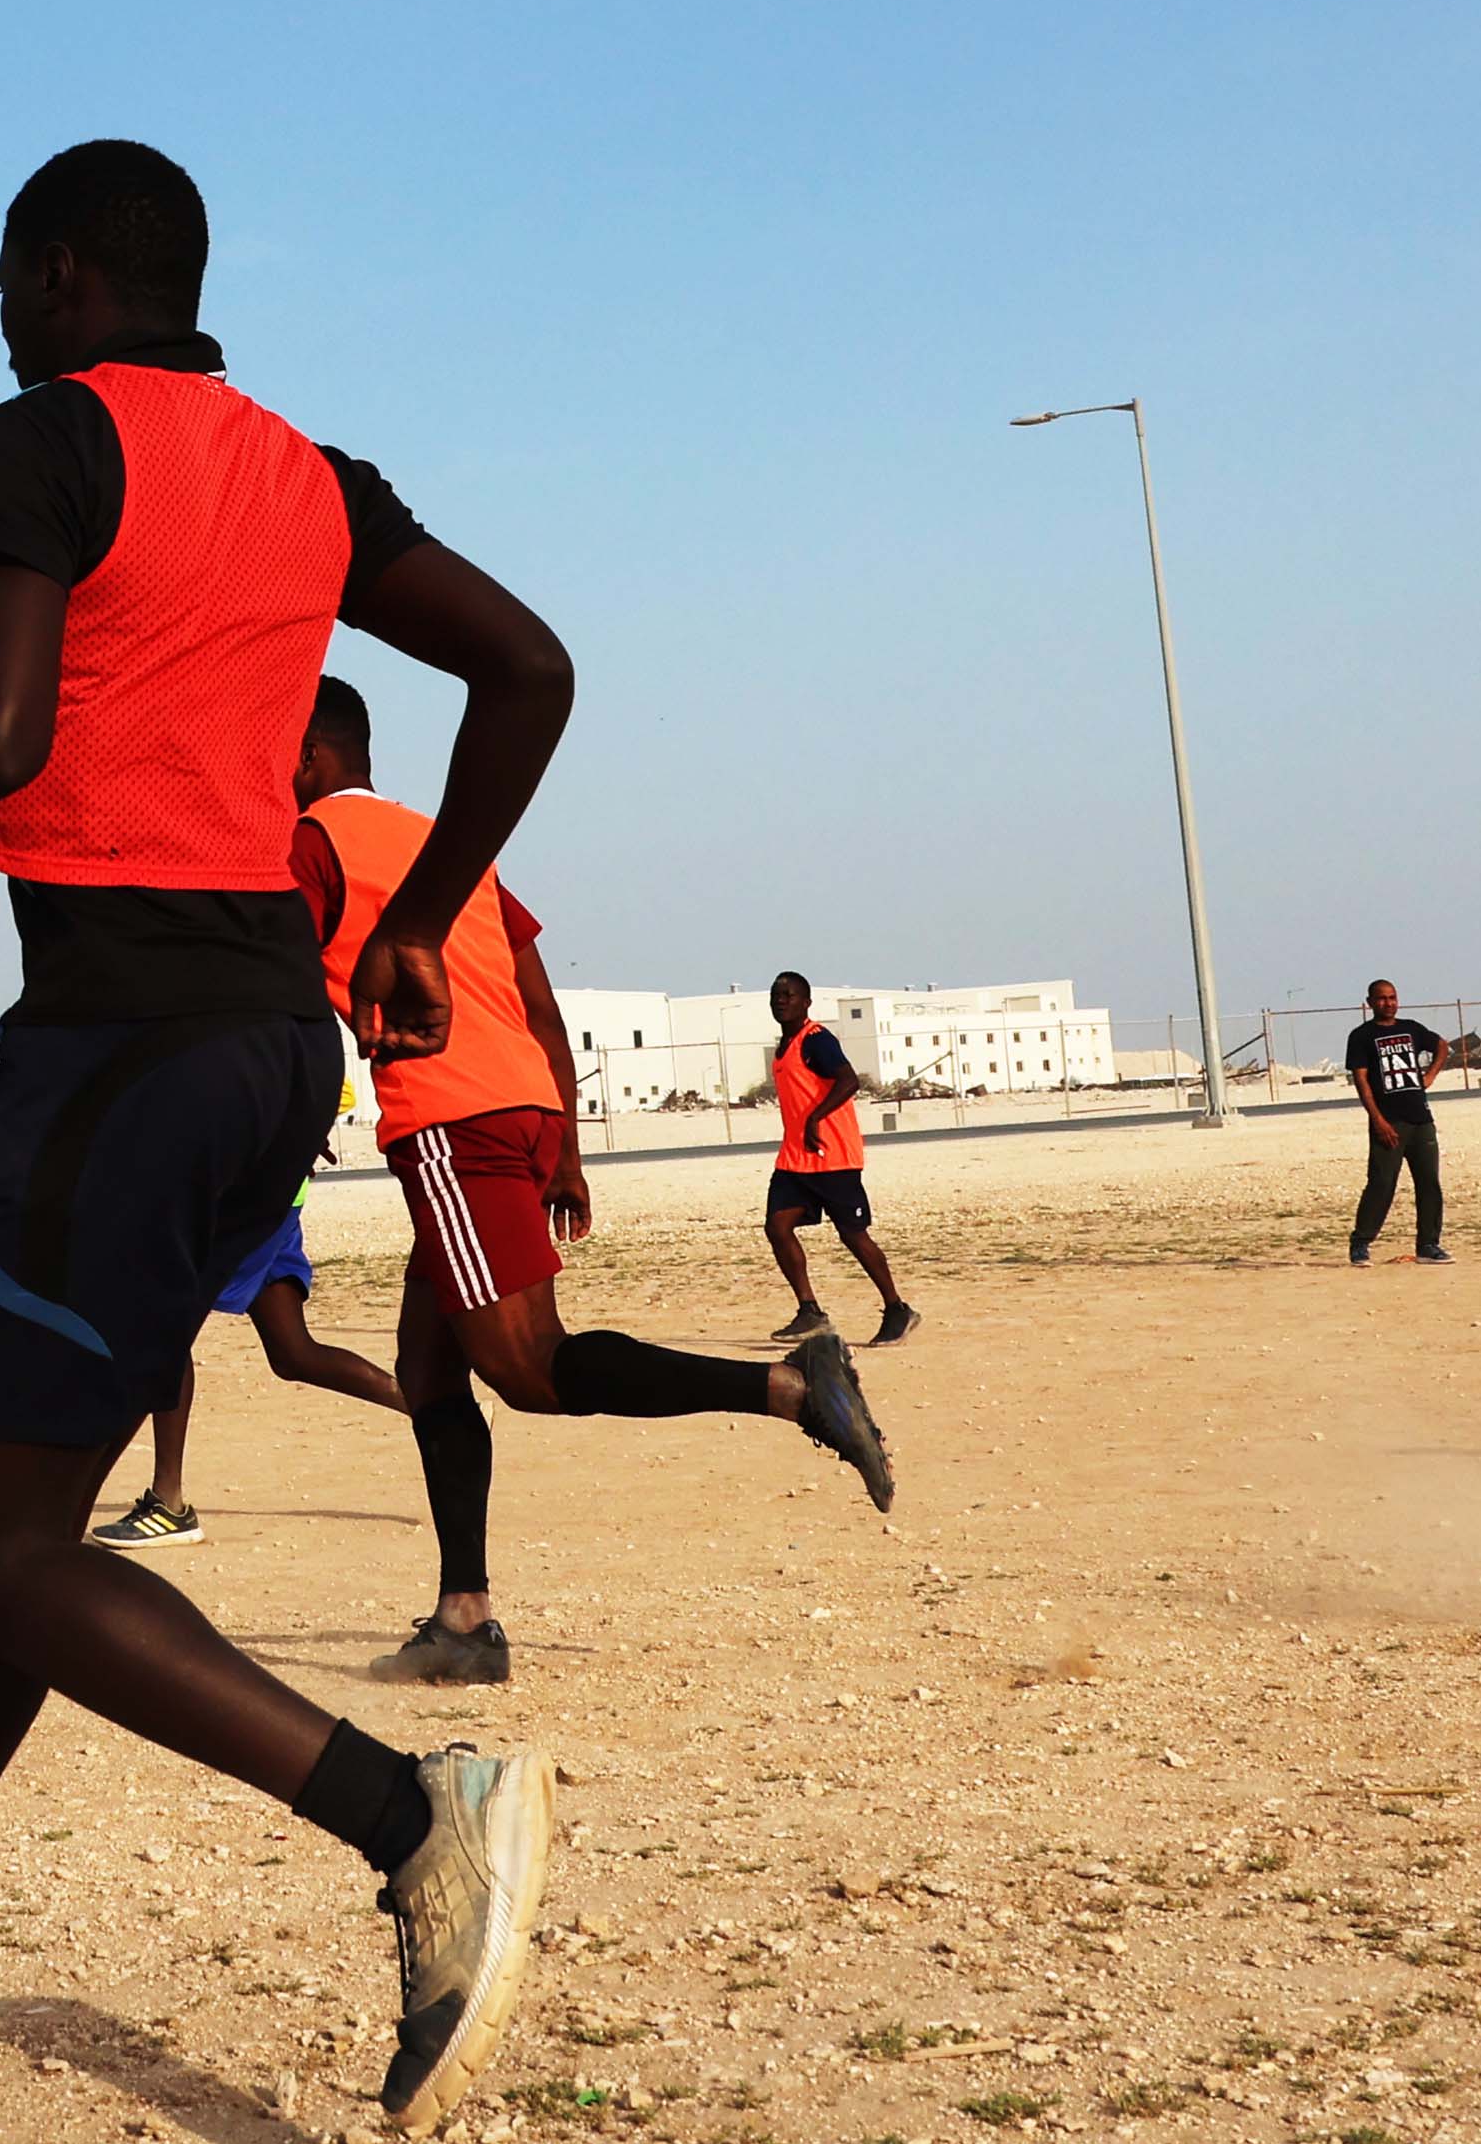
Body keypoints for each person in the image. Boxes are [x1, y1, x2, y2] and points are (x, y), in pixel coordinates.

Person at [0, 141, 565, 2138]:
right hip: (264, 1048)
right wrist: (415, 913)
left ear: (64, 275)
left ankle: (416, 1814)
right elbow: (528, 667)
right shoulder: (315, 475)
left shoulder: (42, 439)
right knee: (21, 1539)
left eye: (1, 272)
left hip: (118, 1049)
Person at [335, 674, 893, 1699]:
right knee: (429, 1364)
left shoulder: (313, 845)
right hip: (522, 1107)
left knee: (528, 1370)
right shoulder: (448, 841)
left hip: (451, 1121)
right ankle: (464, 1618)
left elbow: (267, 985)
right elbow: (543, 1006)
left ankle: (790, 1389)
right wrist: (569, 1145)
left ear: (307, 755)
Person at [85, 1152, 407, 1551]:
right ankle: (435, 1408)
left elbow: (330, 1095)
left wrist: (294, 1128)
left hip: (247, 1192)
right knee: (293, 1352)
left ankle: (166, 1504)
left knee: (165, 1328)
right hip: (259, 1187)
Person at [760, 976, 917, 1348]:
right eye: (775, 996)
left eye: (789, 995)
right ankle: (810, 1312)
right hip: (796, 1158)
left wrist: (816, 1117)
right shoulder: (785, 1047)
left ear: (806, 1002)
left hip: (833, 1156)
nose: (781, 1001)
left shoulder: (817, 1040)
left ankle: (897, 1309)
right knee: (777, 1226)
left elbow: (848, 1081)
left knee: (852, 1234)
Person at [1341, 980, 1452, 1265]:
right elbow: (1362, 1082)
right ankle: (1360, 1243)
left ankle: (1428, 1244)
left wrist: (1430, 1076)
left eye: (1392, 998)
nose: (1387, 1003)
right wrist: (1377, 1120)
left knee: (1429, 1183)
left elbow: (1441, 1045)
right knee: (1381, 1184)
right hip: (1388, 1122)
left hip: (1420, 1119)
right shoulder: (1361, 1036)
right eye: (1381, 999)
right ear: (1369, 1003)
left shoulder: (1411, 1028)